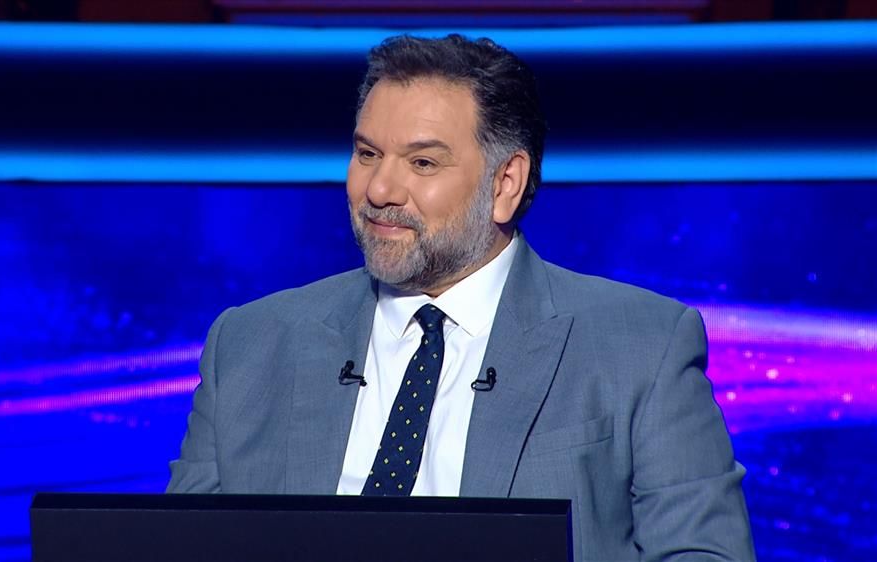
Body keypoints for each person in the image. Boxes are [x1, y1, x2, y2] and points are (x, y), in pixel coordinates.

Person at [168, 34, 755, 560]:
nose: (379, 188)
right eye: (367, 153)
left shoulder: (643, 347)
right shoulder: (247, 345)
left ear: (505, 184)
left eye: (422, 162)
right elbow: (175, 547)